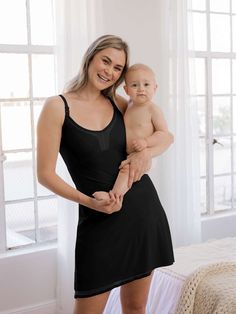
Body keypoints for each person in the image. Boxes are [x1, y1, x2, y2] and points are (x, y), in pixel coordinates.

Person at [37, 34, 174, 314]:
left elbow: (166, 136)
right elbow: (45, 174)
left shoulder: (122, 104)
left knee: (136, 308)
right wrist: (89, 202)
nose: (109, 72)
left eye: (117, 68)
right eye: (106, 61)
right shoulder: (56, 107)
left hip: (141, 214)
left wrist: (147, 151)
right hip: (97, 219)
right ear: (90, 57)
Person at [93, 63, 167, 206]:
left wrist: (146, 142)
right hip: (130, 154)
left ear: (155, 88)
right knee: (125, 170)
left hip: (143, 154)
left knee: (127, 171)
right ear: (126, 90)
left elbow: (163, 133)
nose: (141, 89)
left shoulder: (152, 109)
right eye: (134, 85)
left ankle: (114, 196)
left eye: (146, 84)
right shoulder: (129, 105)